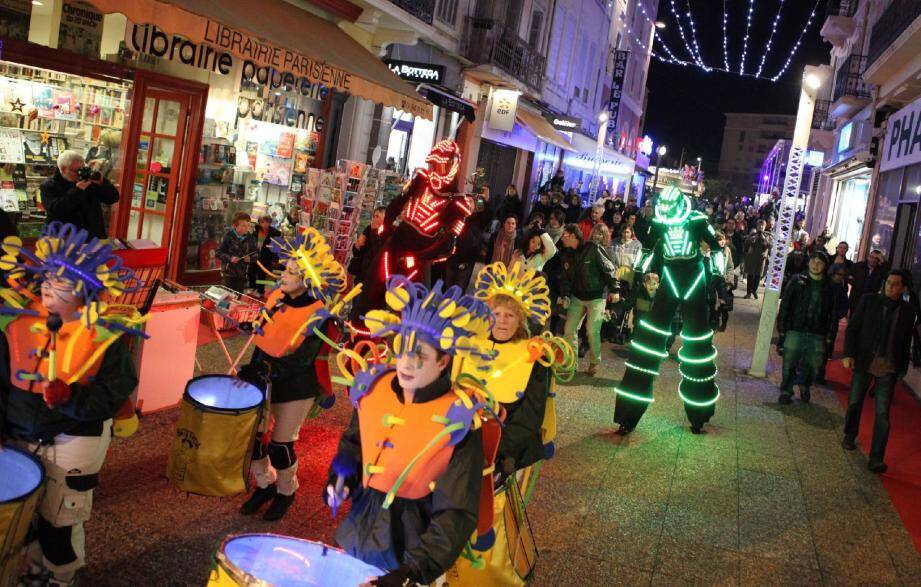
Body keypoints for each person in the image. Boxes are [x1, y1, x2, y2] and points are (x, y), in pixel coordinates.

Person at [0, 222, 145, 586]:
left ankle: (62, 577)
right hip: (21, 435)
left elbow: (116, 391)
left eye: (62, 281)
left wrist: (71, 398)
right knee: (27, 517)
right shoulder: (16, 323)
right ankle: (36, 573)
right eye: (46, 277)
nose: (49, 284)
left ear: (85, 291)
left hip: (74, 437)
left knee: (60, 522)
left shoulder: (105, 336)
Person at [327, 277, 492, 585]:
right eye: (402, 351)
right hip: (359, 528)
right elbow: (352, 444)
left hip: (413, 548)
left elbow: (455, 511)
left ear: (443, 361)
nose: (406, 363)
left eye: (420, 356)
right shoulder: (374, 390)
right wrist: (342, 478)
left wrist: (413, 571)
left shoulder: (459, 419)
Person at [237, 228, 349, 521]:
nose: (284, 275)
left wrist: (267, 369)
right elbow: (267, 331)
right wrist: (252, 331)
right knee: (254, 439)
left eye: (292, 272)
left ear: (308, 279)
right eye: (285, 269)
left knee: (280, 445)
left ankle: (287, 491)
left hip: (296, 386)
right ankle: (265, 484)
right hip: (263, 378)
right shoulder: (277, 297)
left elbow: (302, 359)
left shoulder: (319, 315)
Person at [614, 186, 722, 435]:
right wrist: (638, 271)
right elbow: (648, 248)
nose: (666, 212)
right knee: (649, 340)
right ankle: (628, 414)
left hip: (695, 280)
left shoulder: (696, 221)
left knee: (697, 343)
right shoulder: (660, 223)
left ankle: (699, 413)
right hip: (670, 279)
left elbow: (716, 246)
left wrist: (717, 277)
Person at [842, 270, 921, 473]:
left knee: (882, 413)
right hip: (865, 361)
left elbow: (905, 340)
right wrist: (848, 353)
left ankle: (876, 458)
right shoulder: (869, 301)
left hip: (889, 367)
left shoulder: (908, 311)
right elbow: (853, 329)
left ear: (903, 288)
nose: (890, 287)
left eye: (895, 284)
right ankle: (850, 434)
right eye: (888, 283)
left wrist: (902, 367)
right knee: (854, 401)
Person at [776, 252, 838, 404]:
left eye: (820, 263)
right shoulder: (797, 280)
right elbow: (786, 304)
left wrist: (830, 333)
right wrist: (782, 326)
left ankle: (804, 384)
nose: (815, 265)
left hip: (817, 331)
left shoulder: (829, 286)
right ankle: (786, 390)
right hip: (796, 329)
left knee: (813, 363)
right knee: (789, 361)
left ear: (825, 266)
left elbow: (833, 312)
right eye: (813, 261)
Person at [559, 223, 619, 376]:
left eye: (564, 235)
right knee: (569, 330)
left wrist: (615, 289)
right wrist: (565, 295)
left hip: (596, 297)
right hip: (577, 297)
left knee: (592, 332)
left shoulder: (592, 248)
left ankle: (594, 361)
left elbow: (608, 268)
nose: (562, 238)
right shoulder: (567, 254)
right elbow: (565, 278)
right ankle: (571, 362)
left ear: (573, 236)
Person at [39, 150, 120, 239]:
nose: (79, 174)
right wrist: (78, 190)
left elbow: (113, 198)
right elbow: (56, 210)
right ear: (62, 169)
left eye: (81, 169)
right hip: (65, 238)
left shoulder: (88, 181)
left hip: (92, 237)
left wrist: (102, 183)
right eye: (76, 171)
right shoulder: (48, 186)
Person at [817, 263, 851, 383]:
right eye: (838, 274)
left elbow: (844, 305)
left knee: (826, 350)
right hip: (820, 321)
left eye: (842, 275)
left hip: (831, 323)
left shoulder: (841, 289)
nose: (840, 277)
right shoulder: (824, 285)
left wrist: (837, 315)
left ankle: (819, 374)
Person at [216, 212, 257, 292]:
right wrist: (230, 258)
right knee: (227, 298)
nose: (247, 228)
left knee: (238, 299)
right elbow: (218, 252)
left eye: (248, 225)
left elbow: (257, 254)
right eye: (243, 226)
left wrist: (250, 258)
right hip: (228, 274)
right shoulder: (228, 237)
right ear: (235, 226)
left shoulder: (251, 238)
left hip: (243, 275)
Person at [347, 207, 386, 285]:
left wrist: (375, 231)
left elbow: (378, 253)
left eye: (377, 216)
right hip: (361, 274)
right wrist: (357, 246)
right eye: (374, 216)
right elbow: (357, 253)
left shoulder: (387, 234)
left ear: (385, 218)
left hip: (373, 278)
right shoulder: (369, 229)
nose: (374, 219)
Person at [710, 231, 735, 332]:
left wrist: (729, 281)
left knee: (724, 305)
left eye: (723, 239)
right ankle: (713, 324)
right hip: (712, 280)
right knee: (713, 304)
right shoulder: (710, 250)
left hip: (723, 280)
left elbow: (730, 266)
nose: (722, 241)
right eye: (719, 239)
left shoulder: (726, 250)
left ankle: (723, 323)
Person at [250, 215, 282, 293]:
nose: (265, 224)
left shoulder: (275, 233)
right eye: (262, 222)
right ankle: (254, 288)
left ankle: (261, 291)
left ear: (270, 222)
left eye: (267, 222)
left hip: (266, 257)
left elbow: (277, 248)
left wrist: (275, 259)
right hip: (255, 257)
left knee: (262, 275)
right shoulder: (255, 232)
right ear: (259, 223)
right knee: (252, 273)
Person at [848, 249, 886, 316]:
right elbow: (849, 277)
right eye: (871, 257)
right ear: (868, 257)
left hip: (870, 301)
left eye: (876, 258)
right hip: (856, 299)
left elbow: (888, 274)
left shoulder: (880, 270)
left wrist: (883, 261)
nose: (873, 260)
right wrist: (857, 285)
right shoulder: (858, 266)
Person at [742, 219, 770, 299]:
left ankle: (754, 291)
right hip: (752, 258)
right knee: (750, 276)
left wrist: (763, 238)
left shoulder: (767, 235)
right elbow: (746, 242)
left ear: (765, 227)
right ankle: (748, 293)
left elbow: (769, 245)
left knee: (758, 276)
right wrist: (752, 239)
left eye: (762, 226)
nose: (761, 227)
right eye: (759, 225)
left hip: (760, 259)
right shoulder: (753, 234)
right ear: (757, 226)